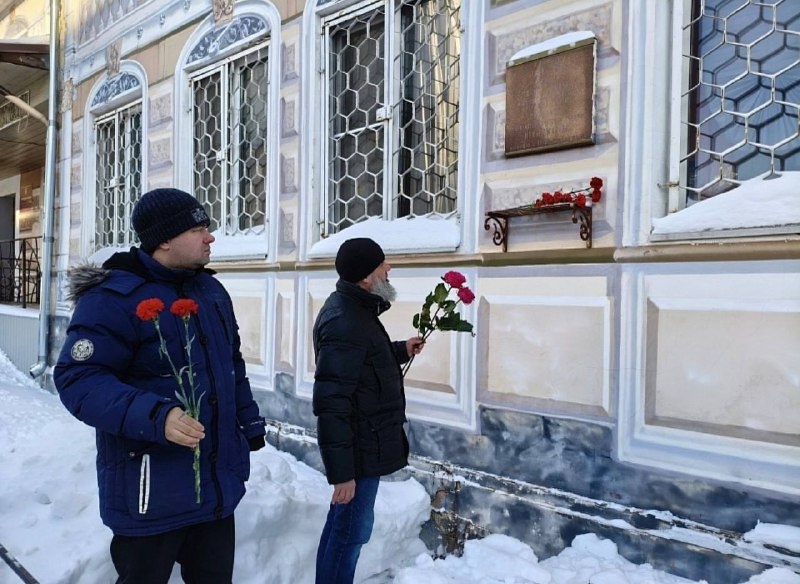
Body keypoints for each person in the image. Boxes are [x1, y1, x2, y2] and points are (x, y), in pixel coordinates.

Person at [54, 188, 267, 584]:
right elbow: (78, 378)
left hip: (216, 488)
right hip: (150, 492)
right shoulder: (112, 298)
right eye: (199, 228)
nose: (210, 237)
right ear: (165, 240)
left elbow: (230, 365)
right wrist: (156, 415)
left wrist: (248, 424)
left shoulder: (211, 291)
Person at [312, 237, 425, 584]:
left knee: (344, 529)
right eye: (382, 264)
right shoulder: (346, 320)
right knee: (349, 535)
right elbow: (332, 403)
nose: (388, 268)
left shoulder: (356, 311)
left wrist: (400, 350)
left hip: (365, 443)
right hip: (358, 449)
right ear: (365, 276)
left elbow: (362, 365)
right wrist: (342, 473)